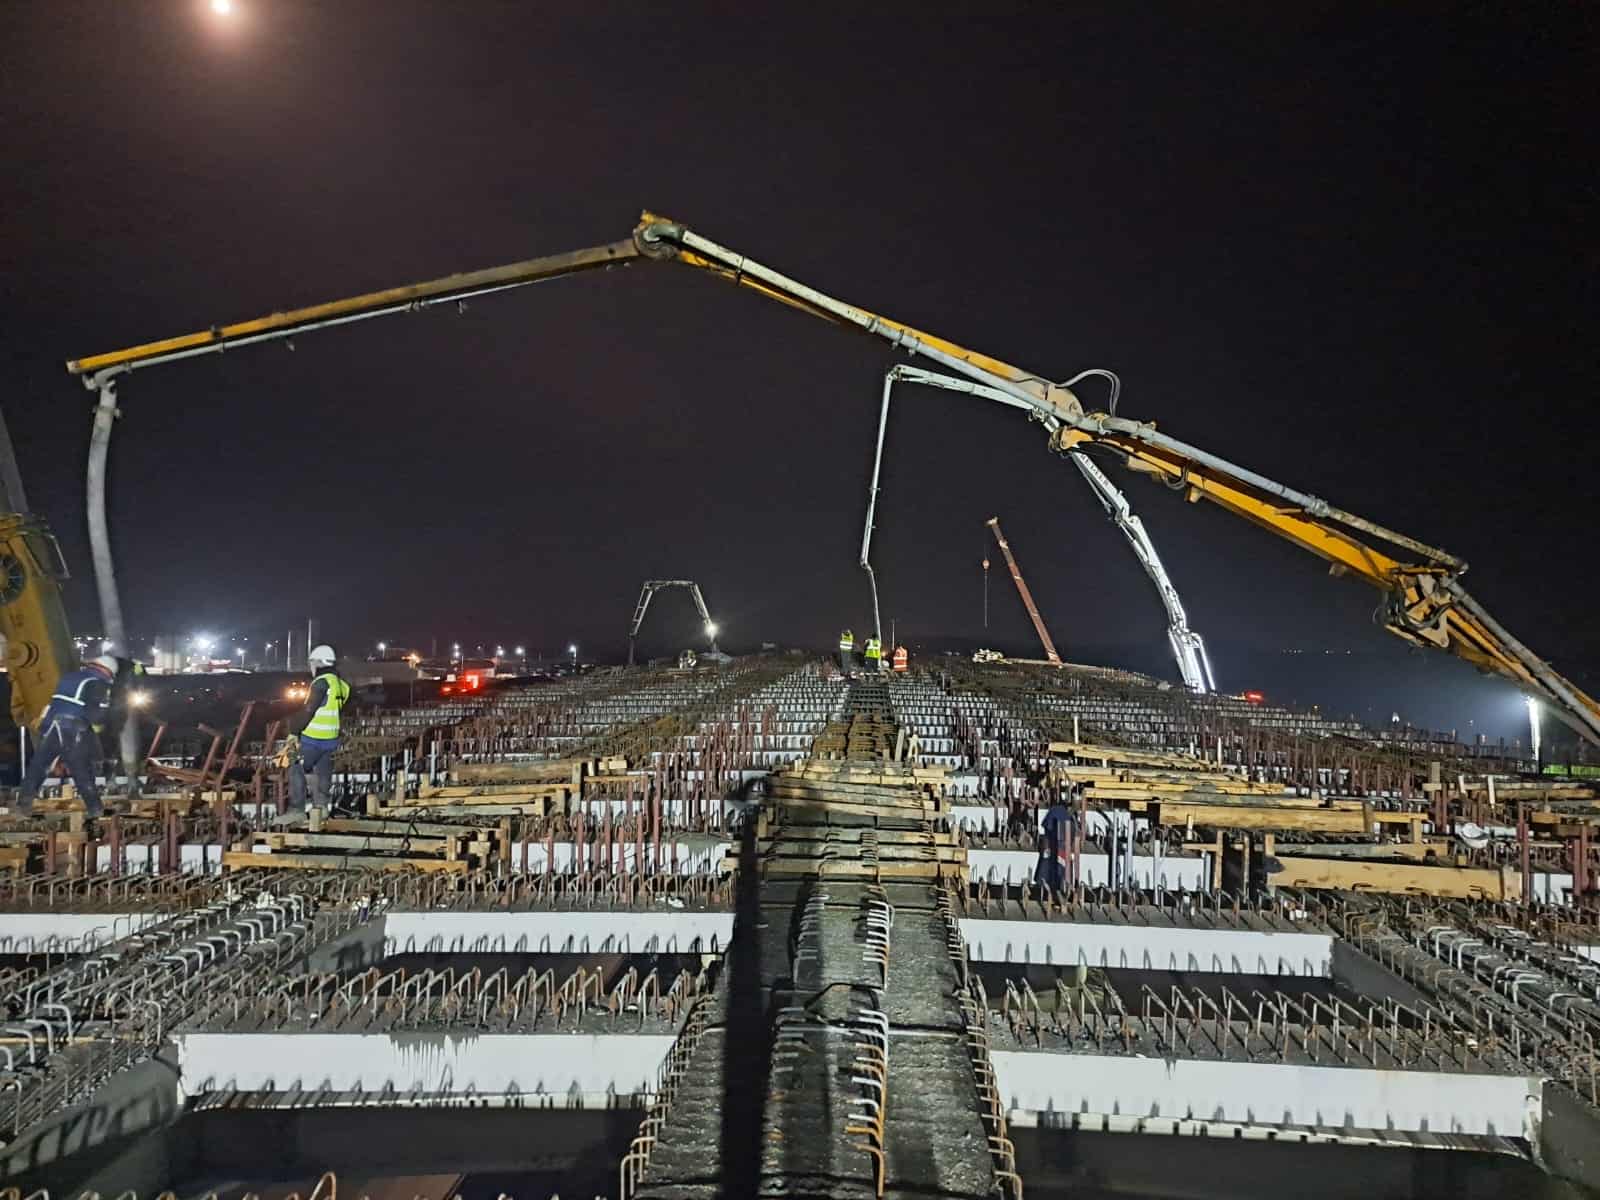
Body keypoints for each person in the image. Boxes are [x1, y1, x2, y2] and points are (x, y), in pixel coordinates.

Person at [17, 654, 126, 817]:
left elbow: (53, 706)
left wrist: (45, 728)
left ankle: (23, 805)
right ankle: (95, 809)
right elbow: (98, 715)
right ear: (109, 672)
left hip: (53, 725)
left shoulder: (70, 677)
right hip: (73, 727)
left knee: (39, 765)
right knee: (81, 768)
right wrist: (98, 732)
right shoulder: (98, 684)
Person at [287, 643, 351, 812]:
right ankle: (321, 808)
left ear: (319, 662)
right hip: (330, 739)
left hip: (313, 738)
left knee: (295, 766)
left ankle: (296, 810)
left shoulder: (321, 683)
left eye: (312, 663)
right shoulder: (342, 685)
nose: (311, 667)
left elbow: (309, 709)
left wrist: (294, 731)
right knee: (323, 772)